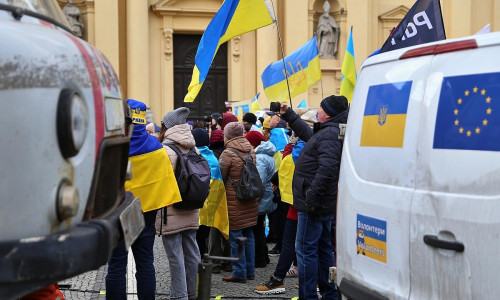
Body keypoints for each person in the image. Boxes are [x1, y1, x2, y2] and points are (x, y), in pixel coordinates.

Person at [106, 99, 181, 300]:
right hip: (146, 212)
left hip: (116, 212)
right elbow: (165, 180)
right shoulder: (155, 147)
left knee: (116, 264)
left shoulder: (113, 146)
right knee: (146, 262)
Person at [278, 95, 349, 300]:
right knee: (324, 247)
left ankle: (308, 295)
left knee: (305, 250)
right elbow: (309, 134)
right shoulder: (329, 131)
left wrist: (312, 196)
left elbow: (328, 169)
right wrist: (289, 115)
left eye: (320, 108)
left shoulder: (329, 134)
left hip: (314, 203)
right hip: (320, 201)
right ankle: (328, 293)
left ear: (328, 114)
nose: (317, 111)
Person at [254, 111, 318, 295]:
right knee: (293, 243)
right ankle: (280, 279)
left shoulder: (306, 146)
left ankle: (309, 281)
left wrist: (291, 147)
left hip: (303, 200)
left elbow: (291, 163)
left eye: (296, 131)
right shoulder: (301, 144)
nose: (292, 134)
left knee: (306, 245)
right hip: (294, 200)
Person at [156, 107, 200, 300]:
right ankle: (192, 293)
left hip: (171, 210)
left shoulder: (165, 150)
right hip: (191, 207)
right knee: (192, 254)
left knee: (175, 258)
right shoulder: (193, 146)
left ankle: (179, 297)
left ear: (168, 126)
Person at [219, 122, 258, 283]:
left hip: (234, 200)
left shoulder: (227, 153)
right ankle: (250, 270)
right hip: (249, 198)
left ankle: (239, 272)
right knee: (248, 235)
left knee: (235, 237)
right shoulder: (251, 150)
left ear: (228, 135)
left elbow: (220, 176)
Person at [245, 131, 275, 268]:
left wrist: (254, 197)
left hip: (261, 197)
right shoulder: (268, 155)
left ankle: (260, 259)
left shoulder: (260, 157)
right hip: (267, 195)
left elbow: (259, 180)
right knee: (260, 228)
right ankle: (264, 257)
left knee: (256, 229)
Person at [207, 128, 232, 273]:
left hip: (216, 197)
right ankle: (227, 263)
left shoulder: (212, 156)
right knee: (227, 229)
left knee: (215, 231)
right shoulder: (229, 152)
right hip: (231, 197)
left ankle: (215, 264)